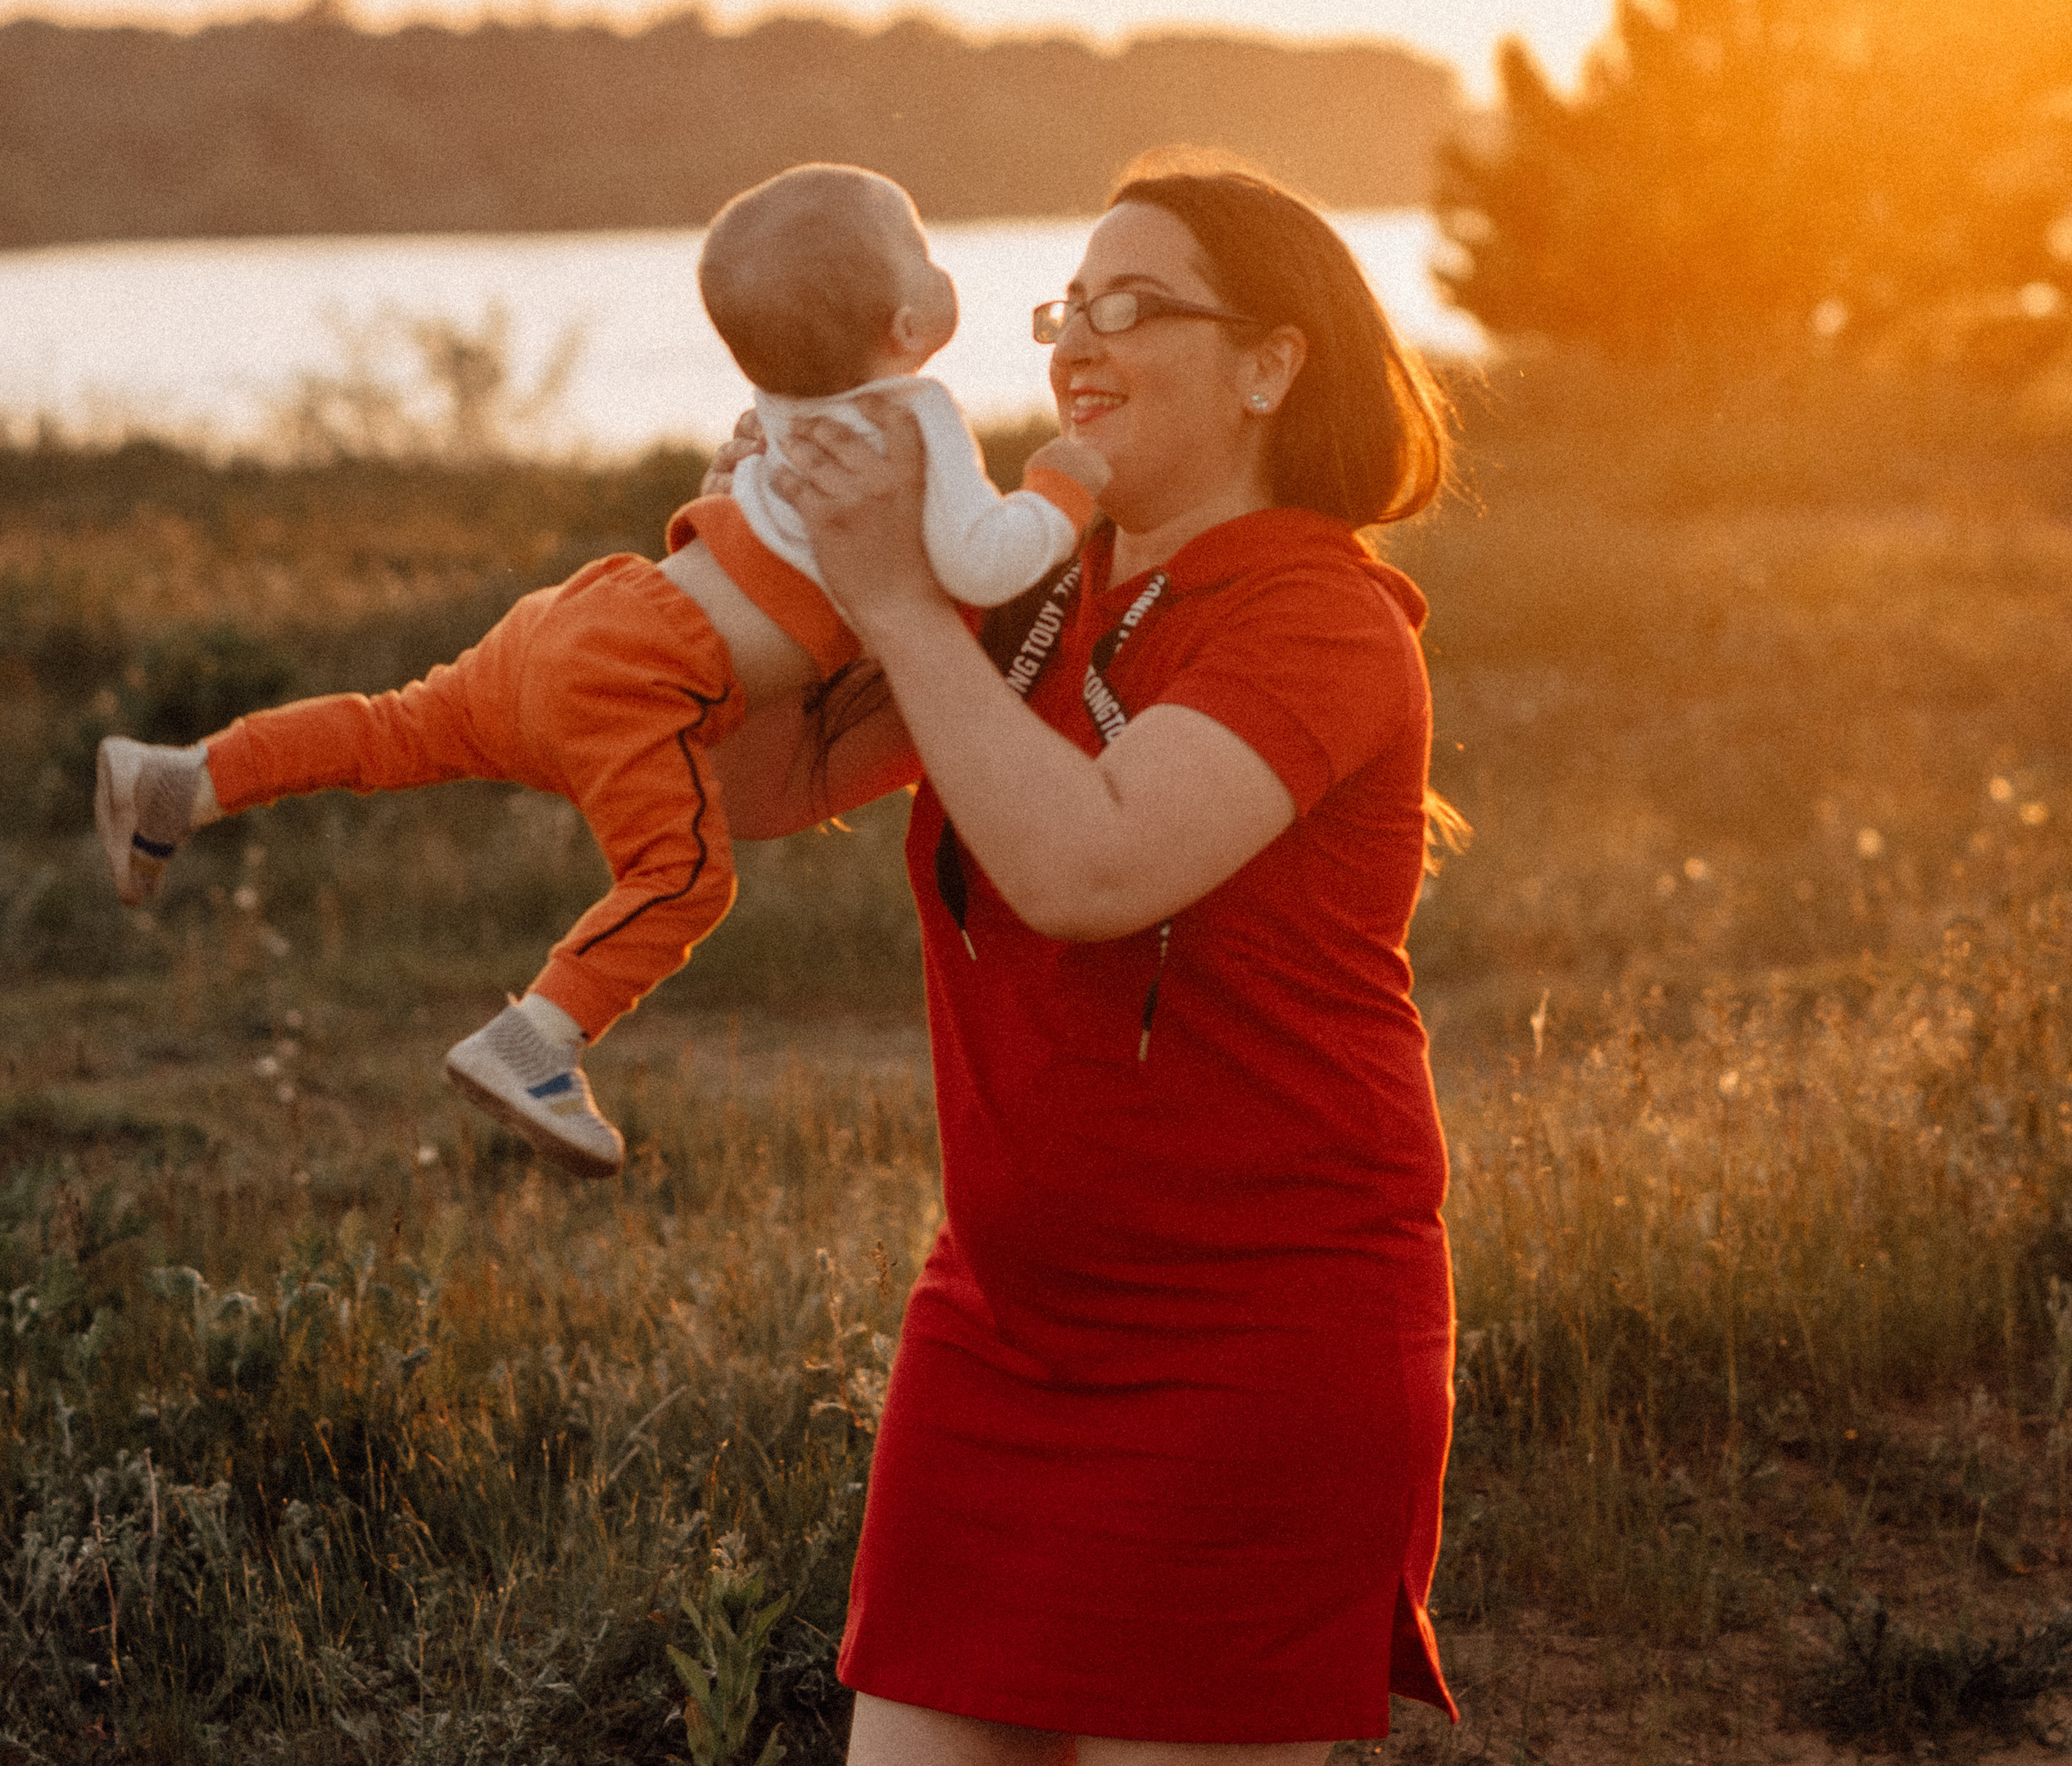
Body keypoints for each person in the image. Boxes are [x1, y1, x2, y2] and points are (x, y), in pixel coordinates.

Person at [711, 157, 1462, 1759]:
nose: (1075, 345)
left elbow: (1088, 867)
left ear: (1270, 363)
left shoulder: (1322, 620)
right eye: (1069, 308)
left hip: (1253, 1350)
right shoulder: (1027, 585)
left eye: (1136, 307)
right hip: (995, 1325)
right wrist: (769, 557)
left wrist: (898, 609)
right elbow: (755, 786)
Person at [90, 166, 1103, 1179]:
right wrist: (1063, 487)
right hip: (647, 676)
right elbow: (985, 559)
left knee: (388, 729)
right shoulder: (915, 411)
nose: (940, 267)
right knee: (683, 882)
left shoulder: (780, 404)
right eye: (921, 251)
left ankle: (186, 778)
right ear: (911, 316)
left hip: (587, 616)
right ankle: (533, 1044)